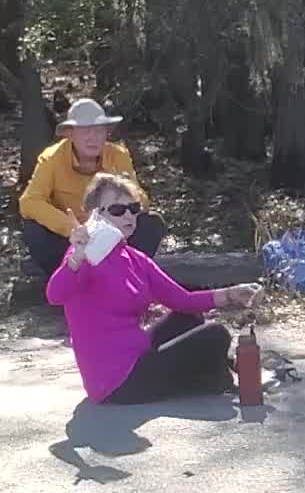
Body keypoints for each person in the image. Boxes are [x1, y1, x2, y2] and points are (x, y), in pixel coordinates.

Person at [47, 174, 261, 405]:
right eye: (118, 209)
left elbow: (183, 299)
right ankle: (212, 376)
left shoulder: (134, 257)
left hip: (140, 355)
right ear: (95, 215)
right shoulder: (85, 254)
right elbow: (55, 295)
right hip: (116, 382)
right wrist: (77, 257)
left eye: (133, 208)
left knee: (189, 317)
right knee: (217, 334)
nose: (129, 215)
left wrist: (231, 294)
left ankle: (213, 375)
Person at [20, 98, 168, 275]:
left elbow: (139, 199)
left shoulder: (118, 155)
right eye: (85, 132)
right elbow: (29, 202)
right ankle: (67, 278)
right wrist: (71, 228)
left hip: (112, 235)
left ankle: (126, 275)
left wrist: (116, 216)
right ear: (70, 134)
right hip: (70, 240)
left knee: (151, 223)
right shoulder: (51, 159)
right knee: (33, 229)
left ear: (107, 133)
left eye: (99, 131)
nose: (93, 138)